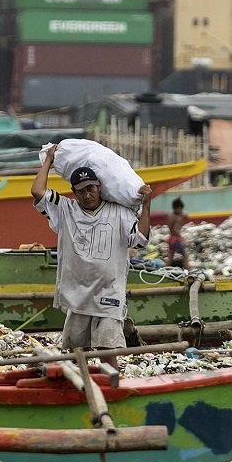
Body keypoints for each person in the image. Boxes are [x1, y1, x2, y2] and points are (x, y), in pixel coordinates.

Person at [30, 142, 150, 359]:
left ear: (99, 187)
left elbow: (140, 241)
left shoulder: (119, 212)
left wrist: (147, 205)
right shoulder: (66, 210)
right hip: (78, 297)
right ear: (74, 193)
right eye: (81, 191)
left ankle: (109, 381)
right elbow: (38, 191)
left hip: (109, 296)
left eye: (90, 189)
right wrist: (48, 160)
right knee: (78, 353)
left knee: (108, 352)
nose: (87, 195)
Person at [163, 197, 189, 267]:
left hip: (170, 238)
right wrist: (182, 238)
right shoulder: (178, 218)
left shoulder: (170, 216)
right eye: (181, 209)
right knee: (185, 255)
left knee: (170, 257)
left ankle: (165, 269)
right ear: (177, 208)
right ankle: (188, 270)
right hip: (176, 239)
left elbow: (172, 228)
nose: (181, 211)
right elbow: (175, 229)